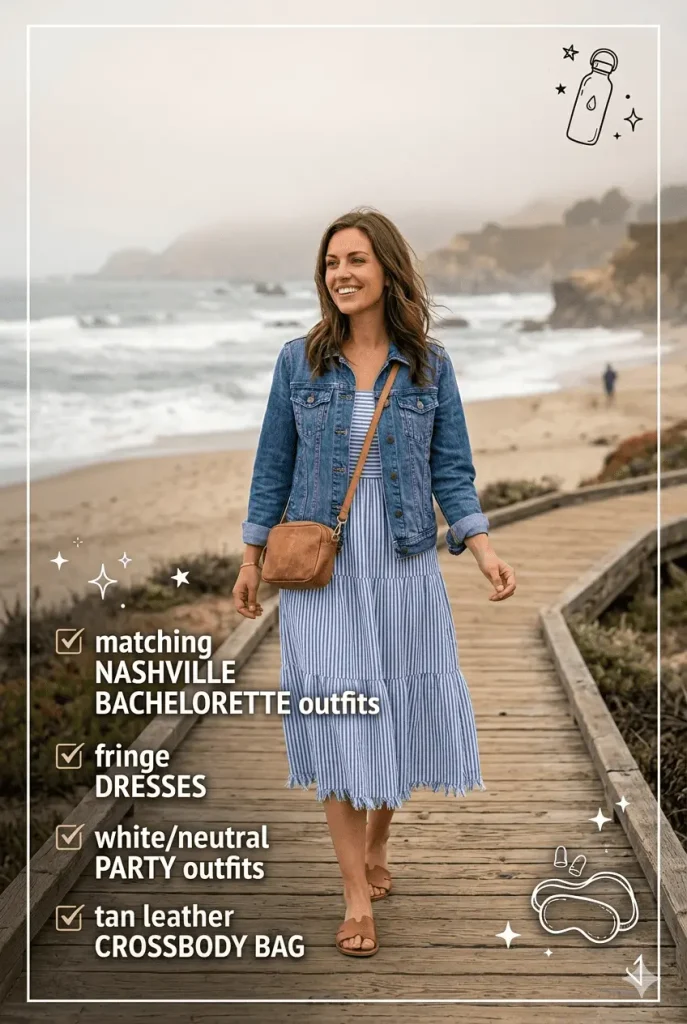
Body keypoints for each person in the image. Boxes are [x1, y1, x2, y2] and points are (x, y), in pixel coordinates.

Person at [233, 208, 516, 958]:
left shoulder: (429, 365)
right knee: (339, 714)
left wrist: (481, 547)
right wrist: (250, 556)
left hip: (401, 559)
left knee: (397, 705)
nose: (341, 274)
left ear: (386, 269)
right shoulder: (299, 361)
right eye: (331, 263)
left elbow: (452, 470)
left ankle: (378, 843)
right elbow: (272, 467)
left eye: (355, 259)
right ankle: (355, 892)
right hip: (323, 567)